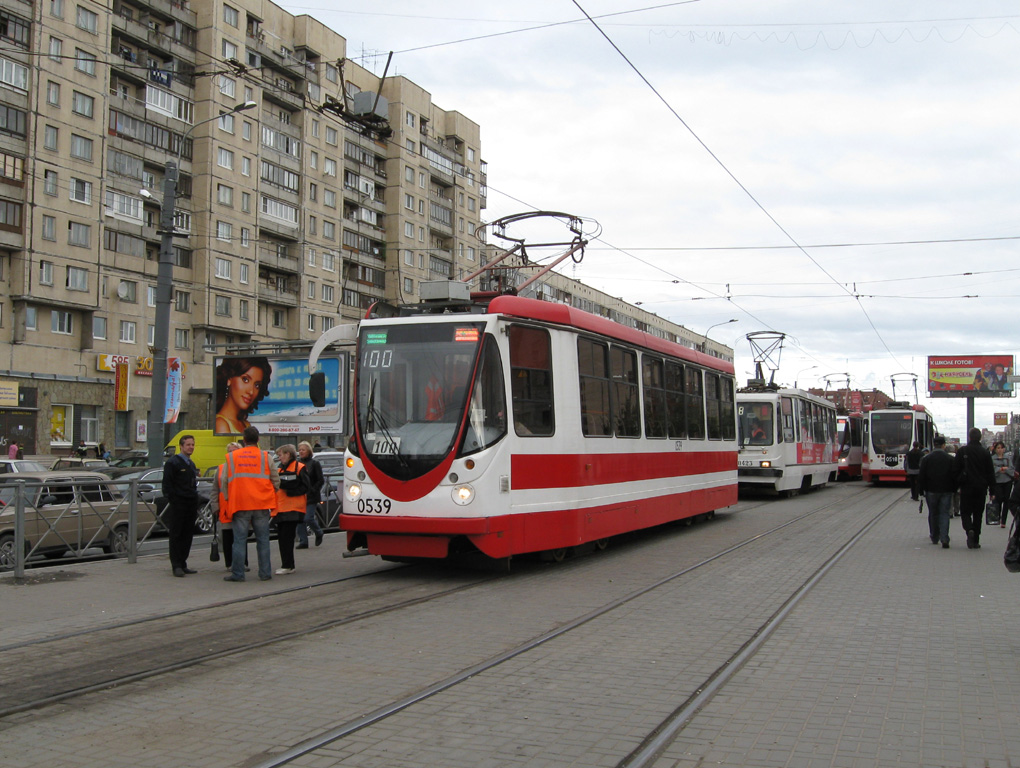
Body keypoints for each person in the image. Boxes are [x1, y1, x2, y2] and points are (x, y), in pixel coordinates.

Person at [218, 426, 279, 582]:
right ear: (258, 440)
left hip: (240, 503)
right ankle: (265, 573)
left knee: (239, 540)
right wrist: (269, 493)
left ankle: (238, 574)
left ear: (243, 440)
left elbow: (224, 481)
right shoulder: (266, 457)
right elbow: (276, 480)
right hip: (261, 503)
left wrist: (227, 499)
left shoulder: (232, 457)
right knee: (263, 540)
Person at [161, 434, 199, 577]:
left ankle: (183, 563)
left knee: (187, 534)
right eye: (188, 445)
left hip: (191, 502)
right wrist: (174, 500)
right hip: (179, 503)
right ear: (181, 446)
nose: (191, 447)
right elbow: (167, 485)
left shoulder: (191, 464)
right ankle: (176, 565)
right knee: (176, 534)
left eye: (193, 445)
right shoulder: (173, 463)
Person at [953, 427, 996, 549]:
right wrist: (992, 491)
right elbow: (990, 473)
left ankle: (969, 529)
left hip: (966, 488)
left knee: (965, 512)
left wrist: (956, 486)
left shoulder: (962, 451)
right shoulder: (985, 452)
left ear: (969, 437)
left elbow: (955, 471)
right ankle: (975, 540)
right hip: (981, 489)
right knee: (978, 514)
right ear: (980, 438)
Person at [210, 441, 248, 572]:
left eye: (235, 451)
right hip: (225, 508)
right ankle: (230, 563)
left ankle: (243, 563)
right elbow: (215, 489)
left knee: (241, 536)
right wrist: (215, 506)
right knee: (227, 537)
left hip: (240, 507)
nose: (232, 453)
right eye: (230, 451)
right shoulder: (220, 469)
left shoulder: (244, 467)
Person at [273, 444, 309, 574]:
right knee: (282, 538)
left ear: (288, 454)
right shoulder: (279, 470)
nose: (279, 458)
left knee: (286, 537)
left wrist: (292, 492)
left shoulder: (299, 468)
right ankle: (288, 564)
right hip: (281, 508)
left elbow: (306, 486)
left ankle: (287, 565)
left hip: (293, 508)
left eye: (280, 455)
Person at [214, 357, 272, 435]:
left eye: (257, 385)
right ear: (229, 379)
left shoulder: (246, 424)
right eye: (245, 380)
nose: (251, 391)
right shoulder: (221, 424)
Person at [918, 435, 956, 548]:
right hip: (946, 490)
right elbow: (954, 475)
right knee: (944, 513)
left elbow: (921, 476)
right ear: (944, 445)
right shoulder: (950, 459)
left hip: (931, 490)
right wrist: (954, 488)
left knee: (933, 513)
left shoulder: (927, 459)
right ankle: (944, 538)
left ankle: (934, 536)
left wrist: (921, 491)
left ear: (934, 445)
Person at [296, 441, 325, 549]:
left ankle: (319, 532)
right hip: (301, 495)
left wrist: (313, 489)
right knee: (300, 519)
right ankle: (303, 541)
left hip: (312, 495)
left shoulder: (314, 463)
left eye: (303, 449)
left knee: (308, 517)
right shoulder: (297, 463)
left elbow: (320, 480)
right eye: (299, 450)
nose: (301, 452)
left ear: (308, 451)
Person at [990, 441, 1015, 527]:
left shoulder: (1008, 458)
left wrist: (1005, 469)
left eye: (1001, 448)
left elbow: (1011, 469)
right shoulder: (992, 458)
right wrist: (1000, 469)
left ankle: (1003, 521)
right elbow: (992, 471)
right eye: (998, 448)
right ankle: (998, 517)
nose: (1000, 450)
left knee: (1007, 500)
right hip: (998, 482)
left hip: (1007, 481)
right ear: (995, 449)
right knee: (999, 499)